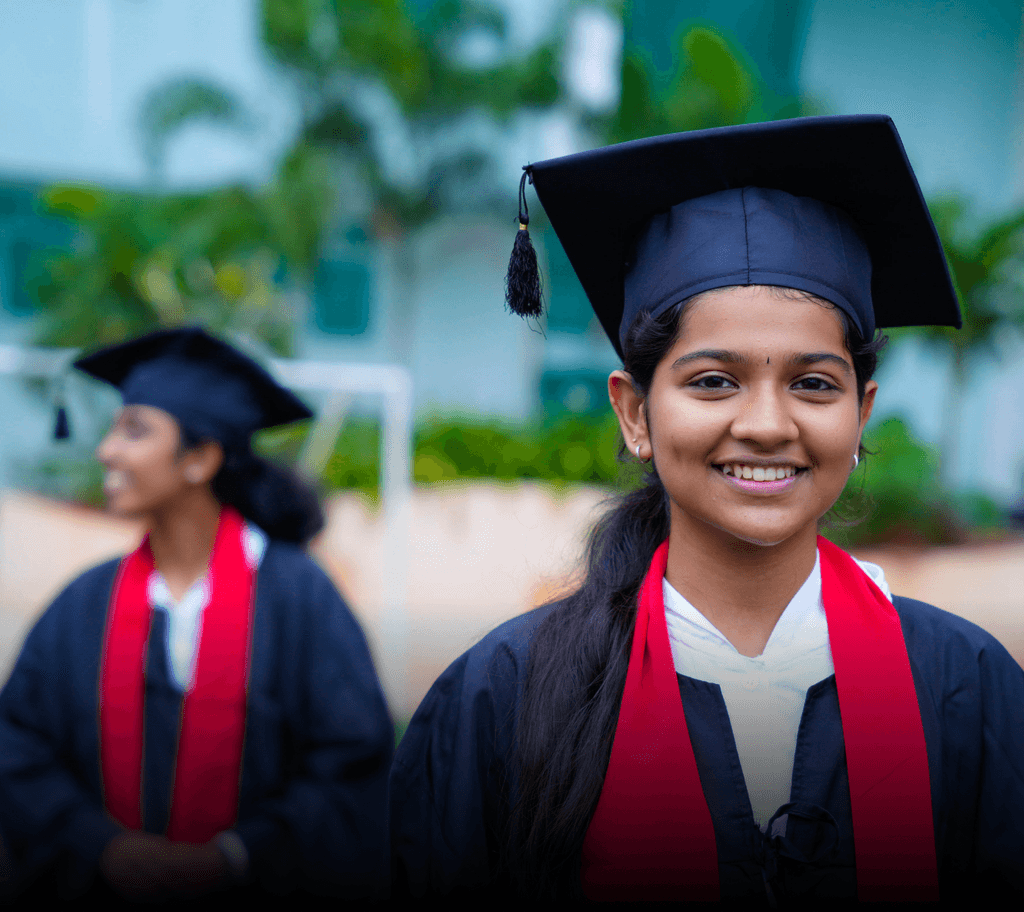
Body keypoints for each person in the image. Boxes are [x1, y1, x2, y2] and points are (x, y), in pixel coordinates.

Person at [388, 115, 1024, 904]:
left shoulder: (968, 690)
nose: (765, 423)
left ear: (861, 415)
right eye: (712, 381)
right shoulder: (505, 696)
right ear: (635, 414)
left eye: (813, 383)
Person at [0, 327, 394, 902]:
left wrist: (236, 857)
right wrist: (103, 846)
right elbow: (18, 746)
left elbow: (352, 765)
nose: (106, 450)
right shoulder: (85, 603)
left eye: (134, 431)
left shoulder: (300, 599)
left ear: (201, 458)